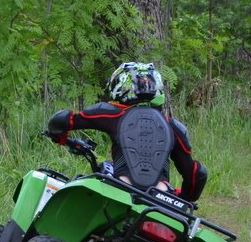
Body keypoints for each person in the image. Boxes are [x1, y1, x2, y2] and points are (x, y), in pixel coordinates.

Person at [45, 62, 208, 203]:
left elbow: (63, 120)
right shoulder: (173, 127)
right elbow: (196, 174)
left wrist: (59, 137)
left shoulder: (113, 114)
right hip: (160, 198)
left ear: (121, 86)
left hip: (121, 190)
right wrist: (182, 198)